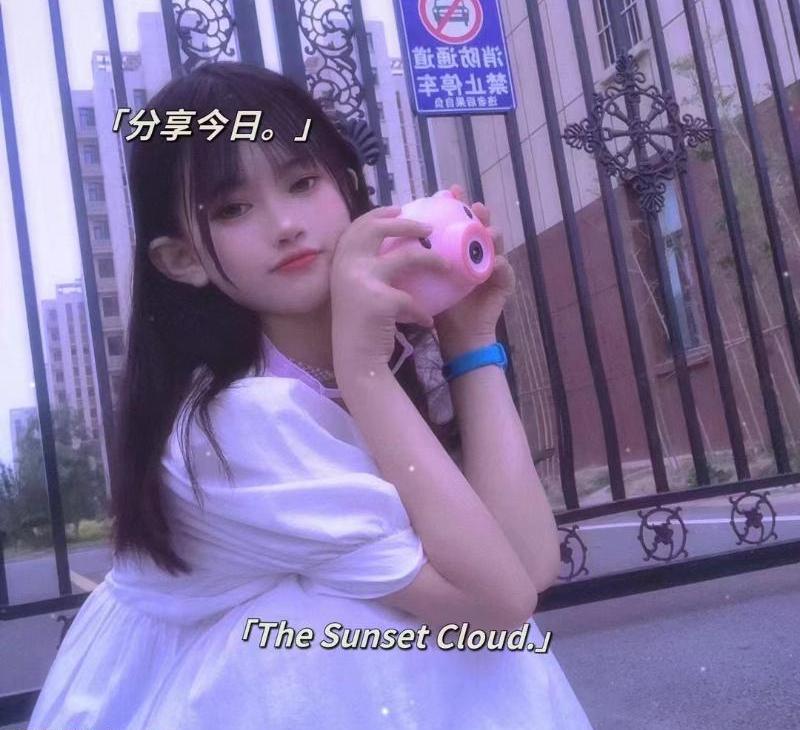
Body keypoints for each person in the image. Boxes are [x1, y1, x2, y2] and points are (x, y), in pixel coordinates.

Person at [28, 61, 594, 729]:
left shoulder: (384, 346)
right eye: (233, 209)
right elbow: (497, 609)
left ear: (347, 188)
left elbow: (528, 565)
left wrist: (469, 341)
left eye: (302, 182)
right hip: (221, 689)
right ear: (182, 259)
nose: (285, 224)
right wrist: (364, 372)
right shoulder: (233, 423)